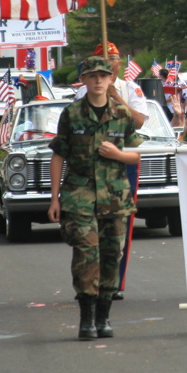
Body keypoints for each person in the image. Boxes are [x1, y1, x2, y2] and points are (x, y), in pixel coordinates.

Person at [47, 56, 142, 340]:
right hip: (79, 195)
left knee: (112, 255)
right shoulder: (72, 113)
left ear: (111, 79)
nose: (99, 80)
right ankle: (86, 318)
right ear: (84, 81)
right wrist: (55, 199)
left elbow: (136, 155)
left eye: (103, 75)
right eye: (92, 76)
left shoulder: (122, 114)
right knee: (87, 254)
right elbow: (58, 155)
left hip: (114, 196)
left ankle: (104, 317)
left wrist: (118, 155)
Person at [73, 41, 148, 302]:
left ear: (119, 64)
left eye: (114, 58)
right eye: (104, 59)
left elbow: (139, 122)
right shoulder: (80, 94)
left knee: (119, 228)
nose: (111, 62)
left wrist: (115, 97)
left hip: (121, 165)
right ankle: (89, 283)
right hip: (89, 170)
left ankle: (114, 282)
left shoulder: (131, 89)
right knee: (86, 231)